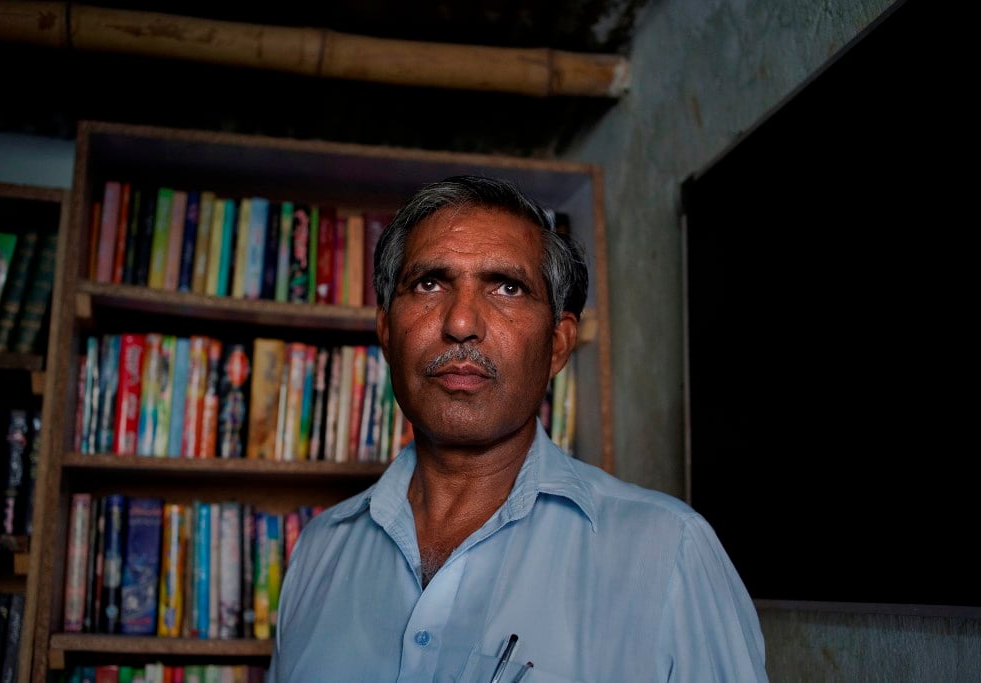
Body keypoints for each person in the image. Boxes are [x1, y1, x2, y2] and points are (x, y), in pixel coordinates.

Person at [268, 175, 768, 682]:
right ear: (386, 331)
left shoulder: (670, 552)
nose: (461, 322)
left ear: (557, 345)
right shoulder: (319, 552)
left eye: (507, 286)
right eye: (429, 283)